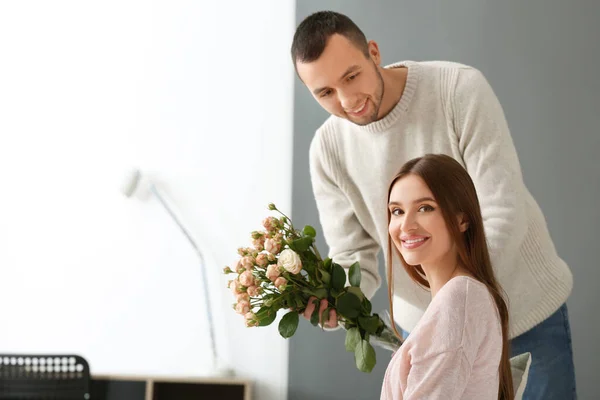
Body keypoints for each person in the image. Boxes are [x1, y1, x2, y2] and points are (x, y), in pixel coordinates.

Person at [293, 10, 576, 400]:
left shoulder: (457, 88)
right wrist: (338, 302)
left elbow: (501, 211)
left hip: (522, 312)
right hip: (426, 324)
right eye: (324, 92)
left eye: (351, 77)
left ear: (373, 53)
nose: (346, 100)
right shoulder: (327, 150)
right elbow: (354, 254)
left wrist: (458, 305)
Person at [381, 153, 512, 399]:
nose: (406, 225)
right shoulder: (461, 297)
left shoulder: (459, 301)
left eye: (424, 208)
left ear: (462, 219)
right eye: (397, 211)